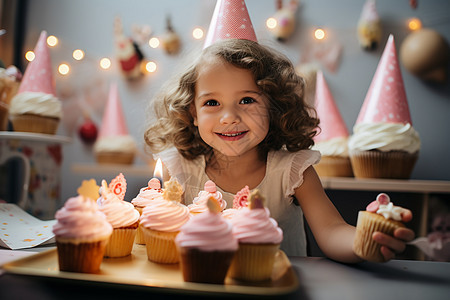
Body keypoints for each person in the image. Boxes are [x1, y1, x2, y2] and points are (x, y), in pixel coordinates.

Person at [143, 38, 415, 262]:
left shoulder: (294, 170)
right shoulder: (176, 170)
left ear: (273, 106)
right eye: (211, 102)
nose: (229, 117)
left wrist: (365, 240)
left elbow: (331, 231)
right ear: (192, 112)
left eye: (247, 99)